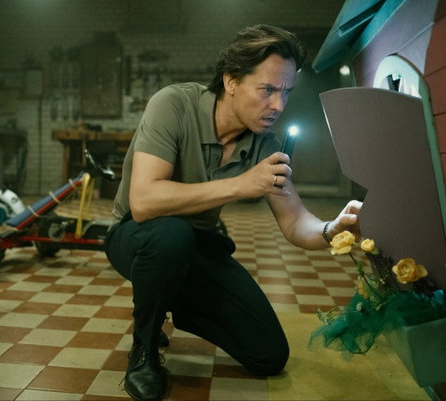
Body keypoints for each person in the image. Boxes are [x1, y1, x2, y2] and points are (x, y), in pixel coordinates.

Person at [106, 24, 362, 401]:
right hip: (135, 236)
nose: (279, 106)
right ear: (231, 81)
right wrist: (242, 184)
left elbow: (294, 220)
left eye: (287, 92)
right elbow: (144, 202)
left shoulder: (264, 143)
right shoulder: (173, 104)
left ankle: (170, 298)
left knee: (268, 355)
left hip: (196, 245)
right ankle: (143, 349)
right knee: (171, 236)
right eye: (267, 90)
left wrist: (332, 228)